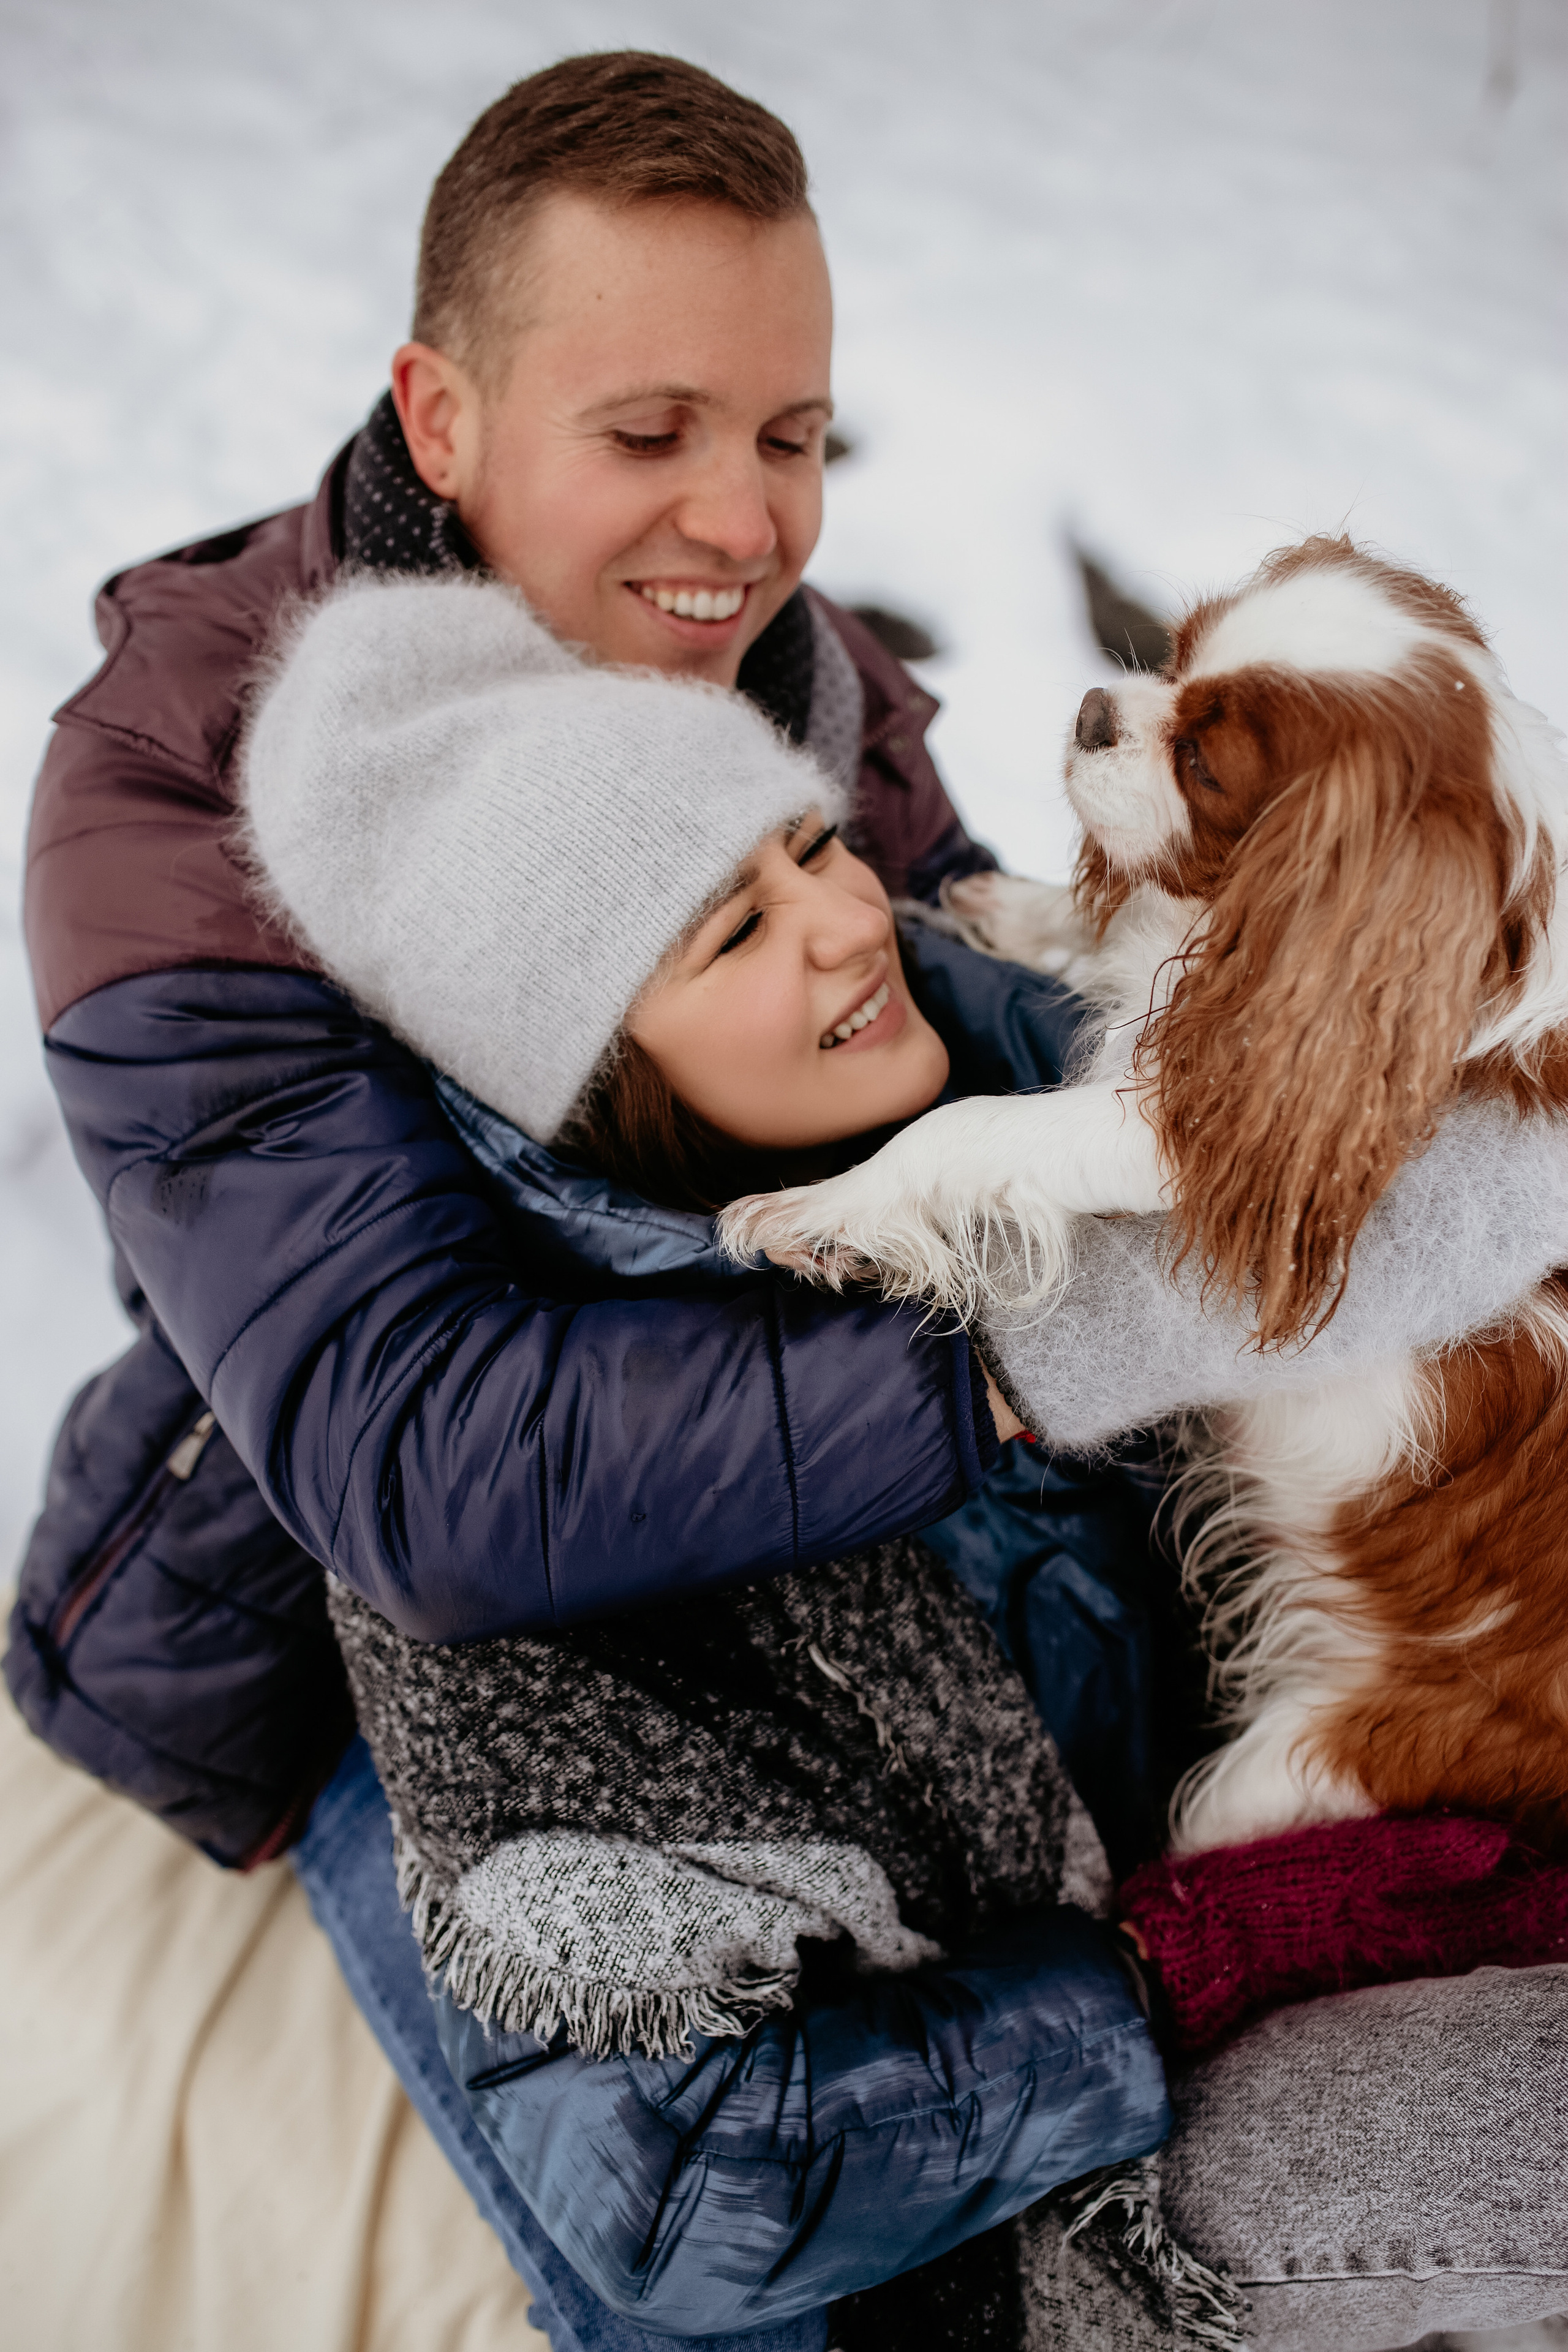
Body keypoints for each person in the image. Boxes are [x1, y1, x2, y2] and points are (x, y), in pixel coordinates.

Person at [13, 45, 1568, 2352]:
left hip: (895, 1545)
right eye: (648, 432)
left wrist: (1438, 1080)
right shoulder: (182, 793)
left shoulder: (787, 669)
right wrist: (1090, 1329)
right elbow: (422, 1464)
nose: (740, 523)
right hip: (346, 1604)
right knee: (721, 2227)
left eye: (791, 435)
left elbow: (1000, 1031)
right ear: (439, 417)